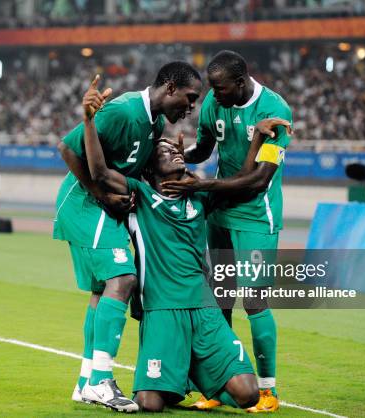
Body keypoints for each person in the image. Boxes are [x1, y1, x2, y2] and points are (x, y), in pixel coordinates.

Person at [80, 81, 291, 413]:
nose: (175, 150)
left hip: (205, 308)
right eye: (165, 150)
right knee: (149, 404)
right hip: (162, 309)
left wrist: (257, 138)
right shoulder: (140, 195)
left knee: (248, 394)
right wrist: (89, 122)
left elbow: (244, 179)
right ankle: (178, 372)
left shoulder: (199, 193)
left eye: (177, 149)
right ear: (150, 168)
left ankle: (193, 371)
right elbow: (99, 171)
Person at [54, 64, 202, 412]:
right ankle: (102, 381)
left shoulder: (154, 122)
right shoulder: (122, 111)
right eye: (190, 97)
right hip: (85, 204)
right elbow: (67, 148)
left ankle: (86, 382)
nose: (191, 107)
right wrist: (101, 193)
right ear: (169, 87)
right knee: (122, 280)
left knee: (101, 292)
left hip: (104, 208)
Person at [161, 50, 293, 413]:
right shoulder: (214, 106)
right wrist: (181, 156)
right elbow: (204, 148)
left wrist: (202, 187)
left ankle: (268, 391)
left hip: (255, 216)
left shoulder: (274, 111)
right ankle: (218, 384)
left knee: (253, 300)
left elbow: (258, 179)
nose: (213, 96)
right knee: (220, 300)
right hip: (220, 215)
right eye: (211, 89)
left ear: (240, 81)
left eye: (219, 89)